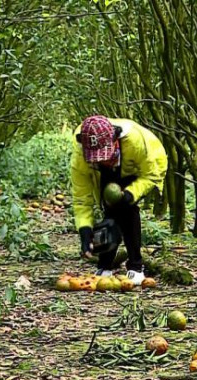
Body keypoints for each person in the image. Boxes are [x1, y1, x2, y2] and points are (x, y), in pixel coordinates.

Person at [71, 115, 168, 285]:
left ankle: (136, 266)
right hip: (109, 174)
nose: (103, 160)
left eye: (104, 156)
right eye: (97, 158)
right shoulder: (81, 153)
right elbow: (81, 198)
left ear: (115, 139)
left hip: (137, 169)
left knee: (127, 209)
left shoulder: (138, 143)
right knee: (109, 212)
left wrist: (131, 193)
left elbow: (152, 173)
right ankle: (104, 265)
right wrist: (84, 230)